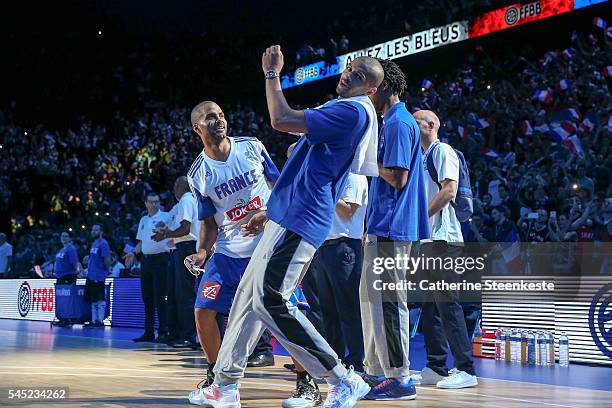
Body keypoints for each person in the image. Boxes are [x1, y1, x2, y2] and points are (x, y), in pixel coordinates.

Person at [190, 46, 384, 408]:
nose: (348, 75)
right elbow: (302, 170)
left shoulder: (350, 111)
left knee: (270, 298)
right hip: (285, 213)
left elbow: (280, 118)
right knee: (247, 301)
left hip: (304, 217)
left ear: (370, 89)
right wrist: (268, 212)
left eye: (358, 75)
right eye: (349, 68)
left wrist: (272, 74)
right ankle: (225, 385)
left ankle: (340, 377)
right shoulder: (345, 110)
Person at [184, 100, 281, 392]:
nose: (219, 121)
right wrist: (202, 252)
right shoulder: (198, 173)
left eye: (222, 115)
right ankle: (217, 377)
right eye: (211, 117)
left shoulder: (252, 146)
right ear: (197, 128)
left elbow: (281, 187)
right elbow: (208, 222)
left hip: (267, 244)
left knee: (283, 312)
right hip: (228, 250)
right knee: (203, 311)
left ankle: (306, 381)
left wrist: (270, 214)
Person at [359, 59, 429, 401]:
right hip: (382, 226)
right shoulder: (392, 121)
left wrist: (368, 160)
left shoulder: (399, 123)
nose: (367, 92)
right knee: (371, 300)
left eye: (371, 85)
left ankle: (400, 377)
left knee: (388, 303)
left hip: (393, 227)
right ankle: (377, 371)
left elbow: (397, 178)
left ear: (385, 86)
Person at [412, 109, 478, 389]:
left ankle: (466, 368)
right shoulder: (422, 157)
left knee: (448, 304)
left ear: (431, 125)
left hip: (443, 239)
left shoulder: (443, 150)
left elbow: (449, 190)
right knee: (431, 307)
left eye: (416, 124)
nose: (412, 129)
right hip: (429, 240)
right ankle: (437, 366)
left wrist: (419, 220)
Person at [152, 176, 200, 348]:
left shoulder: (187, 200)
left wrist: (165, 235)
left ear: (182, 186)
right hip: (181, 248)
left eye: (175, 186)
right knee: (175, 293)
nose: (173, 190)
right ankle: (178, 333)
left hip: (187, 249)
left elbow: (185, 229)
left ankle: (188, 335)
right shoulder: (183, 203)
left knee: (184, 293)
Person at [125, 192, 172, 342]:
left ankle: (164, 332)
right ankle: (149, 332)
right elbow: (141, 242)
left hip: (161, 260)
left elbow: (171, 236)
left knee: (160, 297)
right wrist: (133, 252)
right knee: (147, 298)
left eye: (156, 201)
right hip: (146, 261)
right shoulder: (143, 220)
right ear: (145, 203)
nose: (154, 204)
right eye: (151, 202)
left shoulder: (165, 217)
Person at [84, 224, 111, 328]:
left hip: (99, 275)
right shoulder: (94, 244)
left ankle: (100, 321)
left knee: (99, 299)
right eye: (93, 229)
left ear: (101, 232)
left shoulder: (103, 244)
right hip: (91, 275)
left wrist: (104, 271)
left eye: (96, 230)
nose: (93, 231)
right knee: (93, 299)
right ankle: (93, 321)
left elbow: (107, 259)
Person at [53, 231, 81, 326]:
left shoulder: (71, 249)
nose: (64, 238)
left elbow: (74, 262)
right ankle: (62, 319)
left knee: (67, 299)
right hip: (60, 277)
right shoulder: (62, 250)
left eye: (66, 236)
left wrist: (77, 272)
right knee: (62, 299)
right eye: (62, 236)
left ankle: (68, 319)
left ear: (70, 238)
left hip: (68, 276)